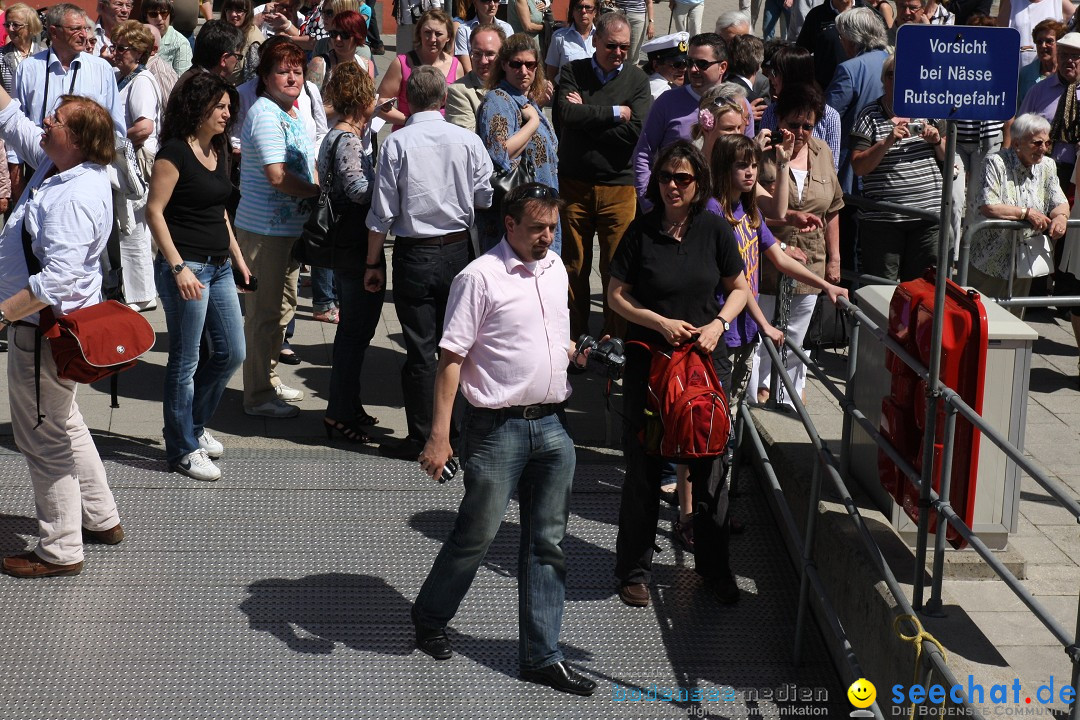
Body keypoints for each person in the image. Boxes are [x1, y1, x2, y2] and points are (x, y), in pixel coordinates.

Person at [411, 183, 595, 697]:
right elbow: (449, 361)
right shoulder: (478, 278)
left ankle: (542, 655)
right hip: (496, 431)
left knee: (549, 544)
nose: (547, 237)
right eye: (537, 228)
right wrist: (439, 438)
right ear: (509, 225)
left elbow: (553, 335)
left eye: (552, 227)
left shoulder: (555, 270)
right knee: (476, 536)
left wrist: (576, 355)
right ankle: (429, 618)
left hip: (554, 427)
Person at [608, 141, 750, 608]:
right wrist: (657, 322)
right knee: (646, 467)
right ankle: (634, 570)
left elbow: (738, 286)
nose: (673, 185)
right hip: (651, 364)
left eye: (683, 178)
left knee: (710, 467)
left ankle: (716, 569)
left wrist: (719, 324)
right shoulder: (641, 231)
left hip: (704, 365)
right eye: (667, 176)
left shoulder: (714, 229)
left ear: (698, 184)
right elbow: (616, 295)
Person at [0, 91, 123, 578]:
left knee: (41, 437)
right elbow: (13, 118)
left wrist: (4, 315)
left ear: (78, 139)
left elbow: (58, 280)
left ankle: (60, 548)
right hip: (45, 330)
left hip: (41, 332)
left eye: (56, 119)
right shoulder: (63, 164)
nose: (45, 121)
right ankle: (101, 518)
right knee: (63, 422)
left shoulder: (73, 196)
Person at [366, 65, 493, 461]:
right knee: (457, 346)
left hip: (414, 252)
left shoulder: (396, 143)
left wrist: (373, 263)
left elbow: (382, 212)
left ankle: (423, 435)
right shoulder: (468, 140)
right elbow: (484, 196)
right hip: (458, 251)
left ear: (408, 100)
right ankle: (455, 432)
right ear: (442, 100)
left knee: (420, 350)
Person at [148, 73, 249, 481]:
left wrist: (238, 257)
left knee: (231, 352)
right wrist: (178, 268)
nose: (228, 113)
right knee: (186, 360)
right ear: (199, 108)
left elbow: (220, 210)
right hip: (186, 269)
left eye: (229, 107)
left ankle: (190, 426)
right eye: (221, 106)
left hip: (220, 265)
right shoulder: (173, 153)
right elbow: (153, 212)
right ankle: (182, 449)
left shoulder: (218, 148)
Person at [235, 39, 320, 419]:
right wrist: (317, 193)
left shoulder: (294, 110)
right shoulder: (267, 114)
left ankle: (268, 378)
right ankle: (256, 395)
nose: (291, 77)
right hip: (264, 231)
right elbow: (277, 175)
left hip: (288, 230)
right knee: (263, 315)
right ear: (265, 77)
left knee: (283, 310)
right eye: (282, 71)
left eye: (297, 71)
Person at [557, 10, 652, 340]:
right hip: (573, 185)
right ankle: (575, 338)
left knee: (616, 269)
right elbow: (565, 114)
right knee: (574, 267)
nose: (619, 53)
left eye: (625, 47)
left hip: (619, 188)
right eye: (612, 46)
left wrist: (586, 116)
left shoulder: (637, 81)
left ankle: (614, 341)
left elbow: (636, 133)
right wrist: (614, 114)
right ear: (595, 41)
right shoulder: (573, 71)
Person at [750, 85, 844, 408]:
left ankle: (787, 396)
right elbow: (753, 208)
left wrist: (835, 259)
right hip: (767, 257)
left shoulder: (823, 152)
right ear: (780, 121)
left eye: (808, 125)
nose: (800, 132)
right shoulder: (762, 152)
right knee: (760, 334)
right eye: (793, 123)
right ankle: (758, 396)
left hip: (810, 260)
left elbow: (832, 208)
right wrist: (788, 219)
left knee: (794, 336)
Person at [313, 63, 383, 442]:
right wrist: (388, 188)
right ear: (360, 99)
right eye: (370, 95)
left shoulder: (339, 135)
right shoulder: (349, 140)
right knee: (355, 332)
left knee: (353, 332)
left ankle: (349, 404)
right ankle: (338, 413)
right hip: (355, 244)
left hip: (347, 243)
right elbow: (357, 190)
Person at [850, 55, 945, 282]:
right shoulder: (869, 115)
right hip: (884, 222)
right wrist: (887, 142)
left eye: (902, 74)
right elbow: (859, 166)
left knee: (923, 288)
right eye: (891, 75)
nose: (897, 79)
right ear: (884, 80)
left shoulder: (928, 107)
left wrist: (937, 141)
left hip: (926, 219)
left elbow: (949, 159)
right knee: (883, 288)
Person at [969, 113, 1068, 312]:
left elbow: (1059, 201)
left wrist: (1060, 217)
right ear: (1016, 144)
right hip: (990, 258)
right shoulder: (995, 162)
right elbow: (989, 205)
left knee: (1014, 323)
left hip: (1025, 258)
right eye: (1037, 143)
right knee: (982, 317)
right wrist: (1026, 213)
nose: (1043, 149)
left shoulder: (1047, 165)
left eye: (1047, 143)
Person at [477, 32, 559, 253]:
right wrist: (532, 122)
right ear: (504, 64)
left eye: (530, 65)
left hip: (539, 215)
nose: (524, 71)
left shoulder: (527, 101)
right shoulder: (498, 100)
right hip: (518, 223)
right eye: (516, 64)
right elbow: (500, 152)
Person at [633, 32, 730, 203]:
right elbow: (643, 152)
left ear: (722, 67)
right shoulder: (667, 101)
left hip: (721, 206)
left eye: (702, 64)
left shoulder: (738, 104)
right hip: (671, 207)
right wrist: (647, 201)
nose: (692, 69)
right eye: (689, 62)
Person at [13, 3, 126, 142]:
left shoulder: (102, 69)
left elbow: (116, 123)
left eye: (85, 28)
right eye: (75, 29)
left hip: (88, 159)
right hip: (39, 157)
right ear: (54, 32)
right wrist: (15, 160)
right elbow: (16, 122)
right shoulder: (28, 69)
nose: (84, 35)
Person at [111, 20, 161, 312]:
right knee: (128, 227)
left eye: (122, 48)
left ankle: (142, 295)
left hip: (137, 165)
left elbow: (144, 127)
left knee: (134, 227)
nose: (116, 52)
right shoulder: (124, 77)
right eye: (116, 46)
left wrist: (107, 139)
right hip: (125, 161)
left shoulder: (141, 82)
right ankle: (135, 291)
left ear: (139, 53)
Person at [824, 6, 890, 196]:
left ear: (853, 39)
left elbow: (828, 116)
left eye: (841, 37)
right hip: (891, 165)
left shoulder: (849, 69)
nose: (840, 42)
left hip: (854, 166)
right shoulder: (894, 62)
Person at [759, 44, 842, 171]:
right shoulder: (771, 112)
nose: (770, 78)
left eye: (775, 73)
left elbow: (832, 168)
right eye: (793, 125)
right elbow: (763, 161)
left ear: (791, 76)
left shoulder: (829, 116)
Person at [376, 9, 462, 131]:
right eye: (427, 32)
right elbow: (380, 103)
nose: (432, 39)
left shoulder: (456, 66)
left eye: (438, 34)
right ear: (419, 34)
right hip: (407, 133)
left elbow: (460, 106)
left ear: (448, 37)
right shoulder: (402, 63)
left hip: (444, 135)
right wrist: (409, 121)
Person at [1019, 31, 1080, 192]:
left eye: (1074, 56)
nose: (1068, 60)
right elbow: (1020, 130)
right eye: (1063, 55)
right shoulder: (1039, 91)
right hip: (1042, 169)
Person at [446, 22, 505, 132]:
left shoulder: (512, 83)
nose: (483, 61)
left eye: (490, 54)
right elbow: (468, 140)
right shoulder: (458, 91)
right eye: (477, 54)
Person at [306, 9, 375, 91]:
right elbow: (309, 101)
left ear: (358, 37)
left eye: (344, 35)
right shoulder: (320, 64)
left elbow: (370, 100)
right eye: (334, 34)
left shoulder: (366, 66)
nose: (338, 39)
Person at [172, 19, 244, 95]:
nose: (237, 61)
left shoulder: (195, 78)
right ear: (224, 59)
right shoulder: (203, 90)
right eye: (237, 56)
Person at [999, 0, 1069, 68]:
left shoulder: (1058, 2)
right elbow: (1000, 34)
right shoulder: (1010, 2)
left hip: (1048, 72)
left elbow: (1076, 24)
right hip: (1016, 68)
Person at [544, 0, 596, 83]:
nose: (583, 11)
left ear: (595, 12)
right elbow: (551, 72)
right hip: (565, 92)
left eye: (588, 7)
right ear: (572, 12)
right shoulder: (559, 37)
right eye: (579, 7)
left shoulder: (602, 37)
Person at [454, 0, 512, 73]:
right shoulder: (464, 31)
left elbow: (510, 60)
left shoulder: (507, 28)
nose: (492, 4)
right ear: (475, 3)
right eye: (486, 0)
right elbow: (468, 69)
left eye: (496, 0)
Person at [1019, 19, 1067, 106]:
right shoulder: (1025, 74)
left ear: (1059, 44)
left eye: (1049, 41)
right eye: (1039, 42)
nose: (1043, 46)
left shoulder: (1067, 72)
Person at [0, 4, 43, 95]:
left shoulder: (44, 56)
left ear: (31, 27)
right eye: (7, 25)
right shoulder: (1, 55)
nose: (10, 29)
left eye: (16, 25)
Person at [142, 0, 192, 75]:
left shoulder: (181, 43)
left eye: (164, 13)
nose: (159, 18)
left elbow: (182, 81)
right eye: (153, 14)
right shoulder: (138, 37)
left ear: (170, 14)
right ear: (146, 17)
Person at [222, 0, 265, 84]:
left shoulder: (253, 41)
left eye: (239, 10)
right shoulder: (223, 31)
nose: (233, 14)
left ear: (247, 13)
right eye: (229, 9)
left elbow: (252, 80)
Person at [640, 31, 688, 100]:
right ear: (656, 65)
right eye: (677, 65)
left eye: (686, 63)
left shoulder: (668, 83)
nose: (684, 69)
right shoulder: (661, 91)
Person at [613, 0, 654, 64]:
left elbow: (649, 2)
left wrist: (651, 23)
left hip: (636, 17)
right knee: (615, 47)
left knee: (633, 54)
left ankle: (631, 71)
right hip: (618, 13)